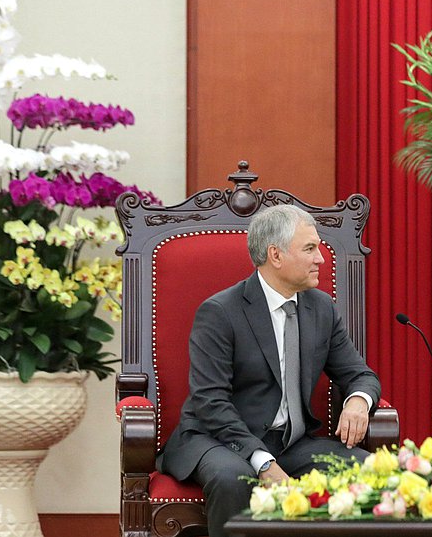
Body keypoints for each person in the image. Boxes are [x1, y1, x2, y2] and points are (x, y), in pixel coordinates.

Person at [157, 204, 381, 537]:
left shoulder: (321, 308)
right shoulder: (220, 312)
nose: (320, 258)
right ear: (275, 255)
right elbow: (210, 402)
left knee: (370, 470)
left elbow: (359, 374)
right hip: (219, 439)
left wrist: (359, 401)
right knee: (233, 478)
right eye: (309, 249)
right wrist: (262, 462)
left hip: (291, 442)